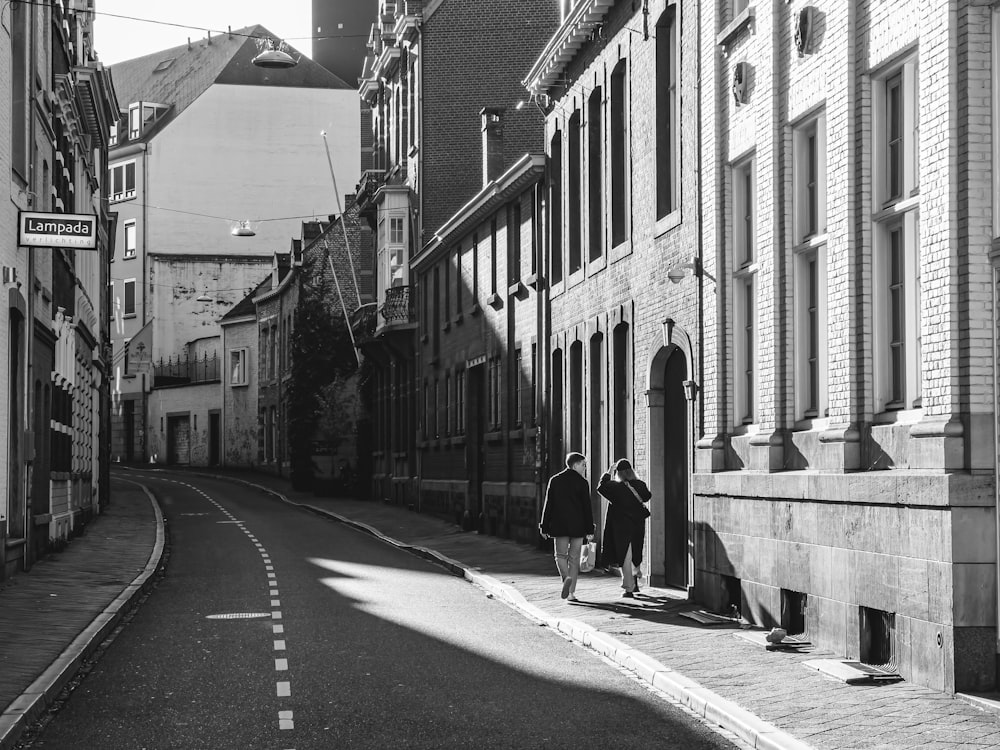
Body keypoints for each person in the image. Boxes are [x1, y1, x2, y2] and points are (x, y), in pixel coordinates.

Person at [539, 452, 595, 602]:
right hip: (578, 527)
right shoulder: (583, 483)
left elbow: (548, 505)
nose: (585, 468)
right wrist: (590, 530)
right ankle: (571, 594)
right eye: (583, 464)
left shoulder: (555, 480)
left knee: (560, 556)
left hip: (560, 526)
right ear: (575, 465)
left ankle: (566, 578)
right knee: (574, 559)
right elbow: (587, 508)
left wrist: (544, 526)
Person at [597, 458, 651, 598]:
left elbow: (601, 487)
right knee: (636, 552)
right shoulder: (640, 485)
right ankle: (635, 579)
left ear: (619, 473)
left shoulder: (615, 488)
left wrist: (609, 472)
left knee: (625, 556)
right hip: (637, 525)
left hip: (621, 527)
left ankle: (628, 588)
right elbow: (647, 496)